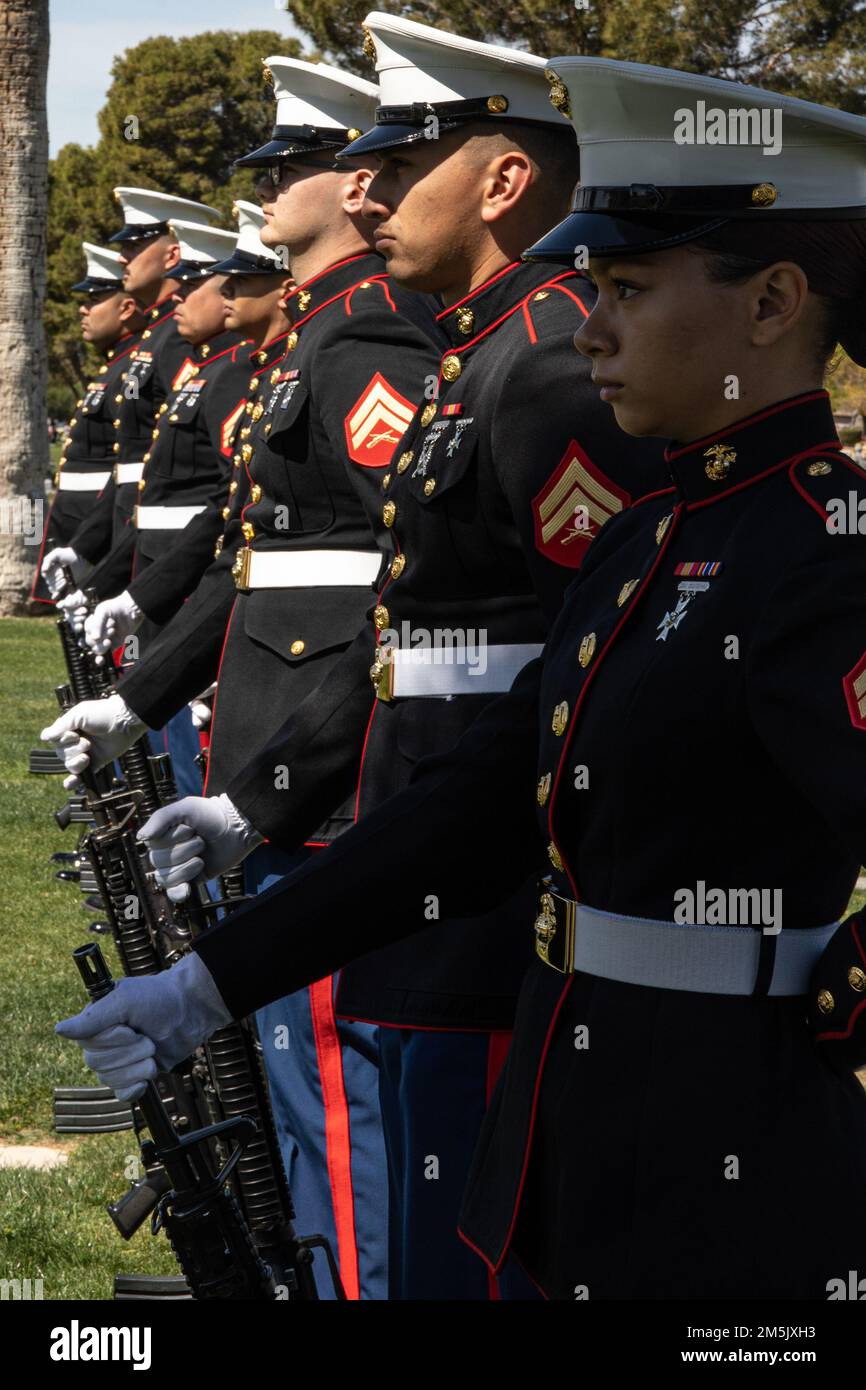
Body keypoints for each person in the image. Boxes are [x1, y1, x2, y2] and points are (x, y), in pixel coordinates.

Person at [57, 56, 866, 1301]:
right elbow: (479, 805)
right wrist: (211, 982)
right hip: (580, 1109)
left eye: (631, 288)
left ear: (769, 304)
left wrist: (829, 1016)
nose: (587, 323)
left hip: (729, 1144)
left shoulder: (818, 553)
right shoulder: (654, 537)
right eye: (591, 283)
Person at [48, 55, 443, 1303]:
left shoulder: (366, 333)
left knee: (336, 1079)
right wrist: (149, 695)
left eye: (295, 168)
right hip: (271, 738)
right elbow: (257, 558)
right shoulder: (319, 336)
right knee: (288, 1070)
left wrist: (278, 773)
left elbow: (409, 574)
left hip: (317, 761)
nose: (269, 190)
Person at [42, 189, 221, 609]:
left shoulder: (176, 338)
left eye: (136, 245)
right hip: (138, 527)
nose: (123, 258)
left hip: (173, 538)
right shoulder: (155, 337)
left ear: (172, 253)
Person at [32, 243, 145, 603]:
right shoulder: (114, 366)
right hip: (80, 522)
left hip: (101, 524)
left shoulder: (132, 368)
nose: (83, 309)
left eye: (94, 299)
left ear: (126, 307)